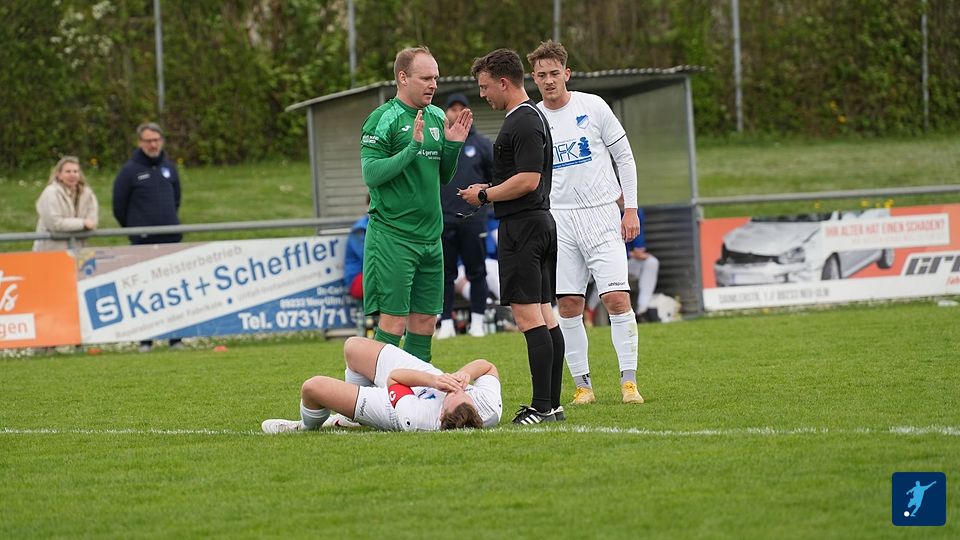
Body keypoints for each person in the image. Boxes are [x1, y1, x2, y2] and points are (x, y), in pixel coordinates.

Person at [527, 40, 644, 405]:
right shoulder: (533, 118)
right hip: (558, 220)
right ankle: (583, 386)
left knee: (616, 298)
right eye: (541, 75)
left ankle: (629, 382)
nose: (549, 80)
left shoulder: (593, 106)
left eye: (554, 73)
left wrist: (630, 209)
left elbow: (624, 157)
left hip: (601, 213)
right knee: (568, 306)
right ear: (533, 78)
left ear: (567, 73)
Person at [461, 48, 564, 426]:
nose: (483, 94)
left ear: (504, 83)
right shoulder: (531, 116)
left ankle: (542, 407)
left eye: (485, 86)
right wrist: (487, 189)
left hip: (524, 227)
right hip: (535, 223)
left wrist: (485, 195)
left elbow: (528, 180)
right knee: (545, 315)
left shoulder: (522, 121)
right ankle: (552, 406)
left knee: (528, 316)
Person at [359, 46, 473, 363]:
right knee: (393, 323)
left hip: (431, 239)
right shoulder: (383, 118)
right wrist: (411, 149)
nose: (433, 84)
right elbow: (371, 174)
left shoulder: (437, 116)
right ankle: (376, 391)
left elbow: (443, 175)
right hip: (393, 236)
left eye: (435, 78)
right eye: (425, 78)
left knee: (425, 322)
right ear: (403, 77)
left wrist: (453, 147)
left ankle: (415, 389)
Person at [261, 336, 502, 433]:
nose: (456, 389)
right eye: (464, 392)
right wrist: (464, 374)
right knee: (353, 347)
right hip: (426, 377)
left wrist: (434, 381)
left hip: (392, 404)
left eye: (451, 394)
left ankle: (305, 427)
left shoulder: (417, 418)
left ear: (441, 415)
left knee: (312, 388)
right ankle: (350, 420)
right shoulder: (489, 409)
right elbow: (488, 366)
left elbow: (395, 379)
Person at [112, 122, 183, 353]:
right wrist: (136, 228)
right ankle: (146, 340)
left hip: (170, 239)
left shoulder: (169, 168)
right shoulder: (129, 171)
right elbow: (119, 206)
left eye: (156, 140)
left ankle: (176, 339)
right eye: (148, 140)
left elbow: (176, 199)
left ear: (161, 141)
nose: (153, 145)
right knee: (145, 290)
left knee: (173, 289)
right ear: (140, 142)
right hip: (143, 242)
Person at [437, 93, 495, 339]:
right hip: (443, 219)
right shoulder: (438, 143)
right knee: (444, 274)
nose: (457, 113)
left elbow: (496, 180)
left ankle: (478, 322)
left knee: (477, 271)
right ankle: (446, 323)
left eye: (462, 109)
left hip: (474, 220)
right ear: (446, 113)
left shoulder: (482, 144)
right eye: (453, 109)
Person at [33, 156, 98, 252]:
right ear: (59, 175)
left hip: (79, 251)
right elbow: (55, 224)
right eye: (68, 172)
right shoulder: (50, 193)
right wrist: (82, 223)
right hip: (51, 252)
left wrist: (85, 224)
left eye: (75, 171)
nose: (72, 175)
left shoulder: (88, 194)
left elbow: (92, 223)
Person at [626, 208, 660, 321]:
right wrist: (629, 253)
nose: (622, 199)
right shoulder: (607, 211)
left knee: (651, 262)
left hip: (628, 262)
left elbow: (639, 243)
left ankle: (641, 311)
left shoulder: (635, 211)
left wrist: (638, 251)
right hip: (610, 260)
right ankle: (589, 310)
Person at [343, 198, 370, 301]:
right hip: (357, 279)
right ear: (367, 207)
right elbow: (367, 258)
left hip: (372, 277)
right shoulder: (359, 230)